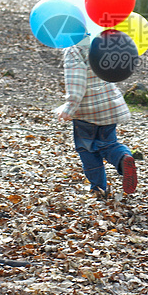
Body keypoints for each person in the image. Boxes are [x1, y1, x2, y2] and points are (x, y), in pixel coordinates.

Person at [55, 37, 137, 199]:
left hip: (87, 110)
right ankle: (123, 158)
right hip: (109, 106)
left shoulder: (75, 48)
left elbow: (77, 82)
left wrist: (70, 107)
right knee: (109, 144)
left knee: (87, 150)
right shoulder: (102, 38)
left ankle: (98, 188)